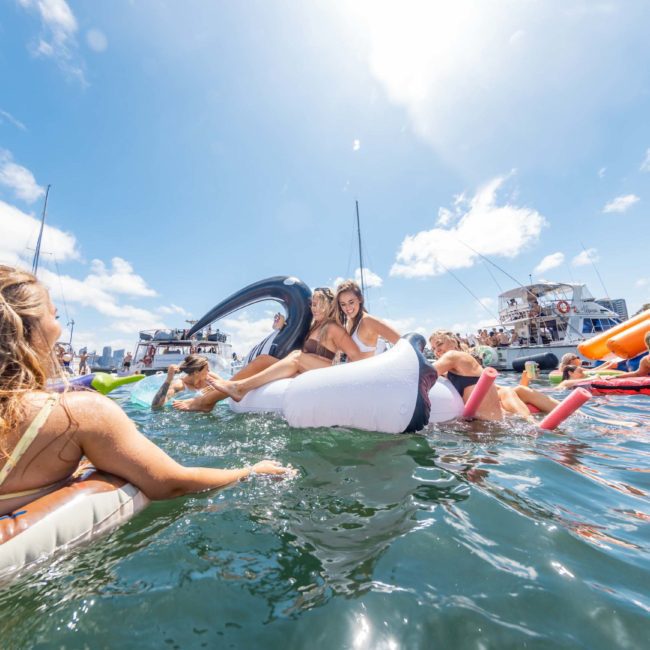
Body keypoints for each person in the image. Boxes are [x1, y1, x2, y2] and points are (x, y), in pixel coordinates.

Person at [0, 265, 292, 517]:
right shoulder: (80, 412)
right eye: (56, 316)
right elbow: (170, 481)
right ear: (35, 328)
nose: (59, 327)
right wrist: (252, 471)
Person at [210, 287, 363, 403]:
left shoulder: (333, 328)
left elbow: (356, 356)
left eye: (318, 305)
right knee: (263, 360)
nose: (313, 309)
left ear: (329, 305)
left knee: (297, 357)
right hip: (306, 370)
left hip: (325, 372)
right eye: (312, 305)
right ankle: (209, 398)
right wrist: (283, 326)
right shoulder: (314, 327)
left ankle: (240, 388)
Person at [429, 330, 557, 421]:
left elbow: (426, 374)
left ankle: (530, 421)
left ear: (453, 341)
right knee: (517, 390)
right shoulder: (451, 370)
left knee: (513, 391)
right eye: (433, 348)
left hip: (491, 423)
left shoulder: (454, 356)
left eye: (439, 344)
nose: (437, 350)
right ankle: (570, 412)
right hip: (489, 417)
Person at [335, 280, 400, 358]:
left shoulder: (368, 321)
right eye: (343, 304)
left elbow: (403, 342)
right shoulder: (347, 324)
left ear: (360, 299)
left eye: (351, 302)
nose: (348, 307)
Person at [151, 354, 222, 409]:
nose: (209, 371)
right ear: (196, 372)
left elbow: (227, 387)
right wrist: (169, 379)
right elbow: (156, 406)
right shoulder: (179, 385)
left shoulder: (210, 377)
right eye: (207, 369)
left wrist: (216, 390)